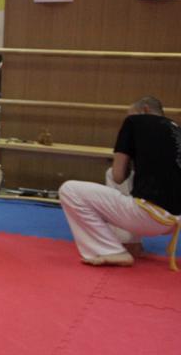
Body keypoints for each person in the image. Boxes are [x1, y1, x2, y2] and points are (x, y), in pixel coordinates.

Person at [59, 96, 181, 269]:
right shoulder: (177, 130)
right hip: (175, 221)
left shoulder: (134, 121)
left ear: (145, 110)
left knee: (69, 190)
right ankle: (131, 243)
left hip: (152, 217)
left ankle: (110, 250)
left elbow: (118, 176)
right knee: (115, 174)